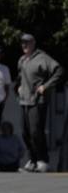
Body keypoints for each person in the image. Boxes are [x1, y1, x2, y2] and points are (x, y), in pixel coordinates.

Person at [14, 33, 63, 173]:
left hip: (38, 100)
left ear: (33, 43)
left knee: (36, 131)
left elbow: (59, 70)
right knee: (25, 132)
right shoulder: (21, 60)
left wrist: (45, 86)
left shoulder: (43, 57)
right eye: (22, 43)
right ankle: (32, 160)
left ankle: (43, 160)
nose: (24, 45)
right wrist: (18, 86)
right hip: (24, 100)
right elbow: (20, 76)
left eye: (27, 42)